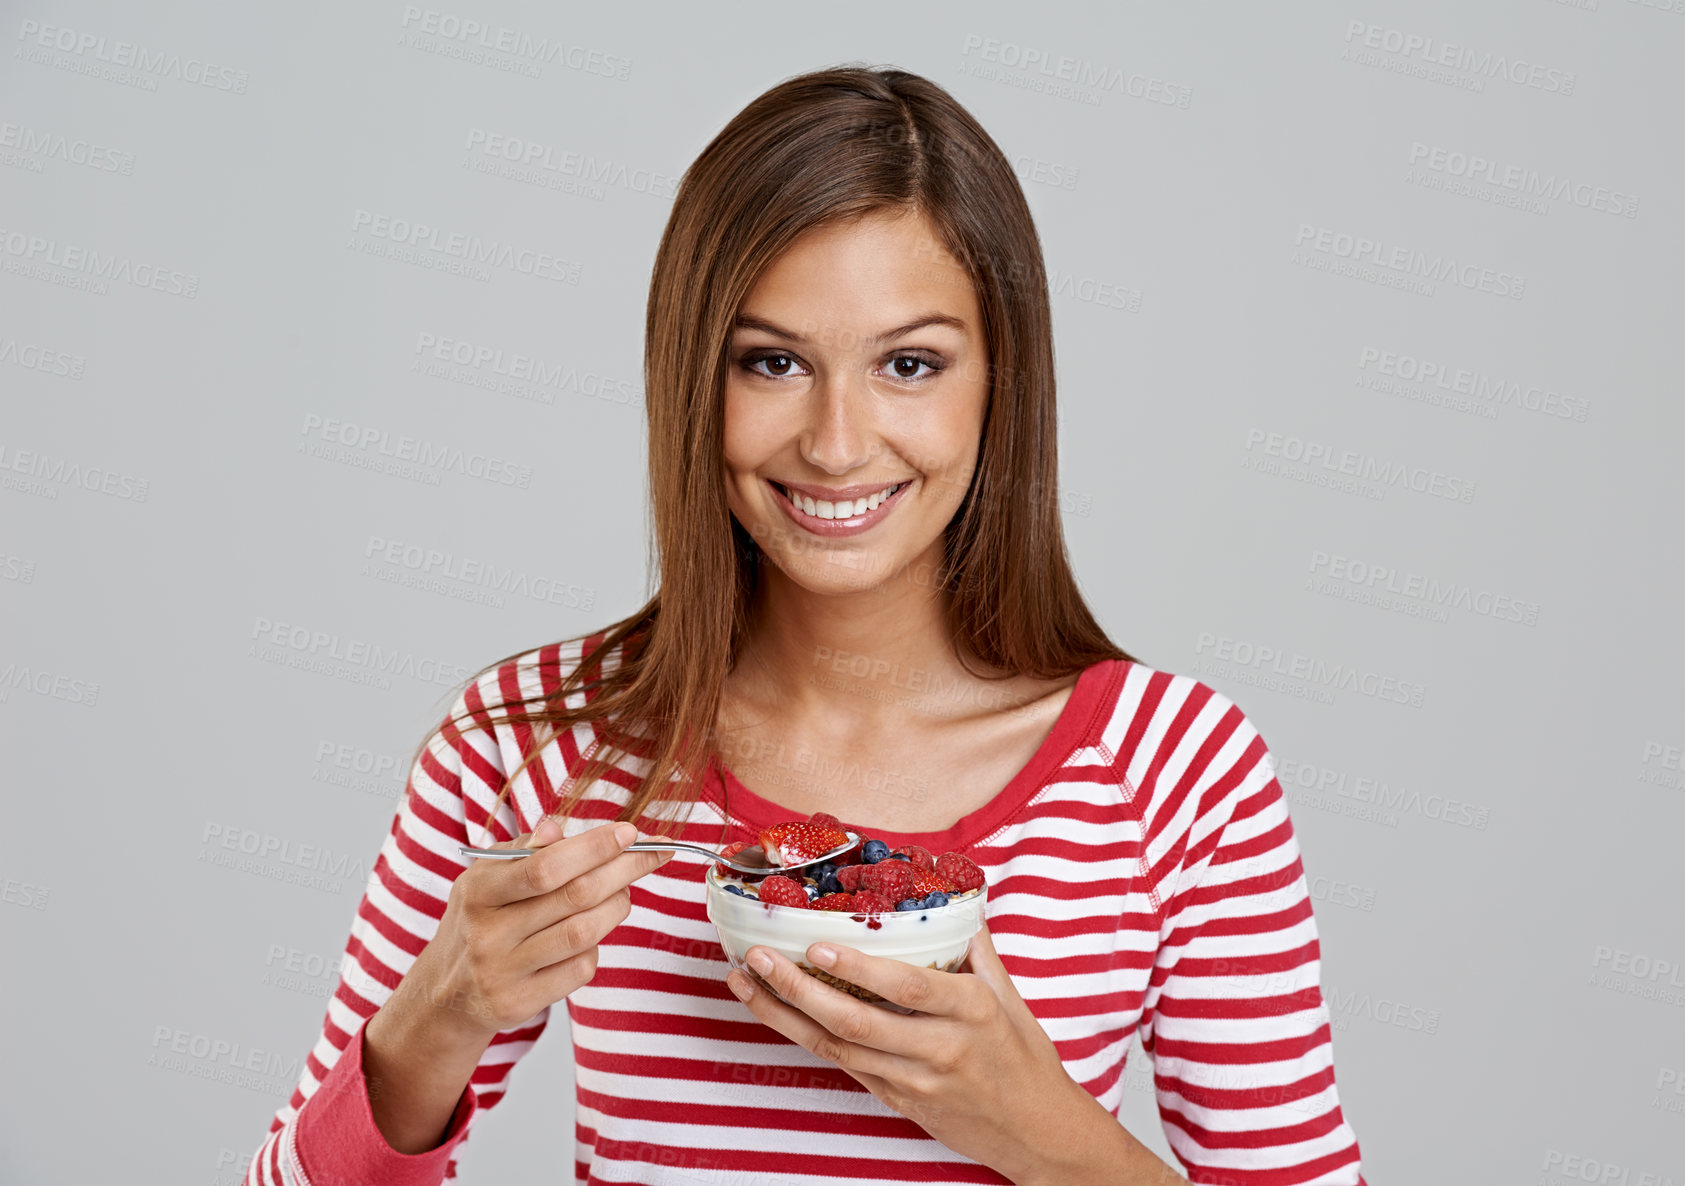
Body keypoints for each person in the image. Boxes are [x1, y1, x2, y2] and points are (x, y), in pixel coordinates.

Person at [243, 63, 1366, 1186]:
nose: (835, 443)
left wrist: (1045, 1136)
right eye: (771, 362)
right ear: (690, 375)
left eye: (908, 364)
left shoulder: (1179, 770)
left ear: (999, 382)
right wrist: (441, 1008)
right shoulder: (529, 742)